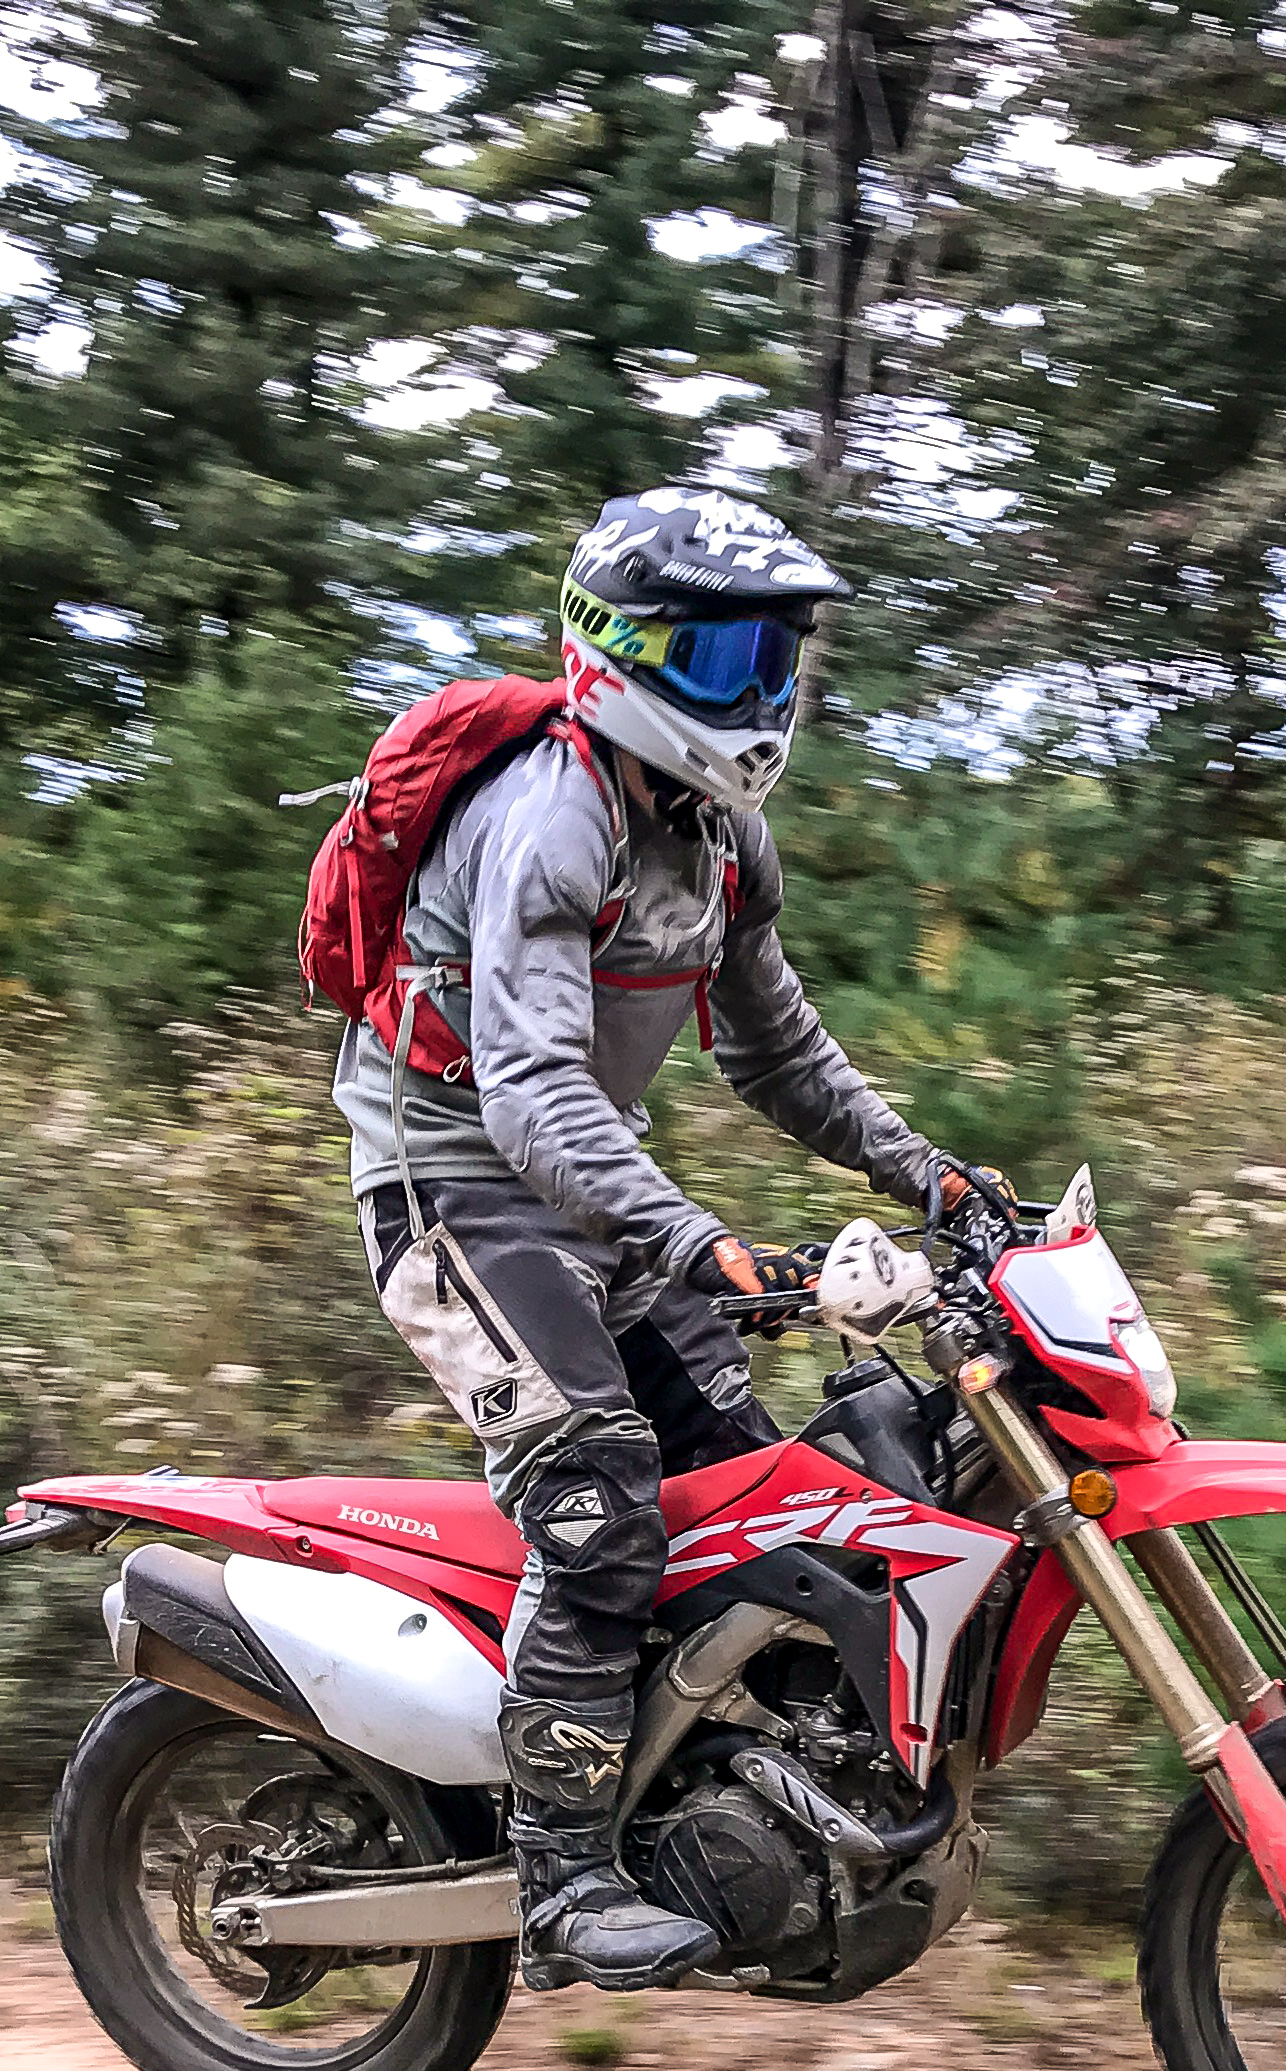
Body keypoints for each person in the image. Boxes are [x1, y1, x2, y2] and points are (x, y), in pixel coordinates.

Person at [335, 488, 1005, 1994]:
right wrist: (702, 1243)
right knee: (603, 1507)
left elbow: (780, 1057)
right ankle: (562, 1875)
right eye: (719, 658)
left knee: (750, 1503)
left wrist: (937, 1180)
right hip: (455, 1196)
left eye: (775, 660)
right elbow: (526, 1096)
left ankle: (710, 1814)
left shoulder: (718, 835)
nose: (758, 694)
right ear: (617, 653)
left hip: (592, 1201)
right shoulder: (549, 818)